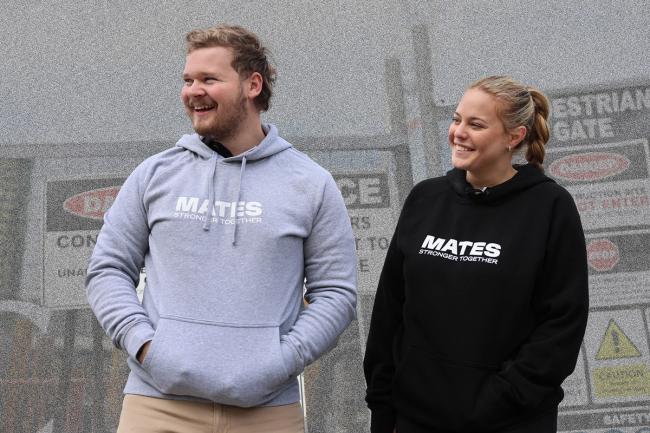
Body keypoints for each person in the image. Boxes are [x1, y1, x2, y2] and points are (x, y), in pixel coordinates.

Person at [86, 24, 357, 433]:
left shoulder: (310, 183)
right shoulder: (154, 175)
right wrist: (145, 346)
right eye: (188, 80)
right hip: (156, 407)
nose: (193, 91)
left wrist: (282, 361)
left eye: (209, 79)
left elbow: (336, 293)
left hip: (268, 413)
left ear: (252, 85)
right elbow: (107, 270)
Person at [363, 76, 589, 433]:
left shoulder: (549, 207)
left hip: (509, 422)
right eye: (456, 120)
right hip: (415, 420)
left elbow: (562, 324)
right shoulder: (425, 199)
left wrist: (502, 397)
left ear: (513, 137)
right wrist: (383, 406)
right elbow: (390, 311)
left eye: (476, 125)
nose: (459, 133)